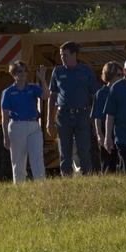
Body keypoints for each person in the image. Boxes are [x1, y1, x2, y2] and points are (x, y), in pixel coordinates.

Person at [46, 41, 97, 176]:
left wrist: (94, 119)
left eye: (65, 55)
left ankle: (87, 176)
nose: (62, 58)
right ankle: (66, 178)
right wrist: (49, 121)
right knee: (64, 151)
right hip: (63, 116)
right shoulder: (58, 71)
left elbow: (94, 97)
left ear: (74, 55)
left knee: (83, 150)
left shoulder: (86, 71)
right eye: (61, 55)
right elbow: (52, 97)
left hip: (82, 115)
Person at [0, 62, 48, 183]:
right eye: (19, 71)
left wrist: (43, 80)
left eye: (25, 71)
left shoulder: (32, 88)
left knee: (37, 158)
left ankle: (41, 186)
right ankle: (19, 187)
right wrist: (5, 136)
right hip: (17, 126)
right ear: (14, 74)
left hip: (34, 126)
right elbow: (4, 117)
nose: (23, 74)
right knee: (18, 161)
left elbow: (46, 95)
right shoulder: (8, 92)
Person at [92, 61, 122, 173]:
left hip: (121, 130)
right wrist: (100, 135)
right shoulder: (101, 93)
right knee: (108, 164)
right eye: (119, 75)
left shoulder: (122, 91)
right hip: (106, 131)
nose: (122, 77)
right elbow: (97, 116)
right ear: (110, 75)